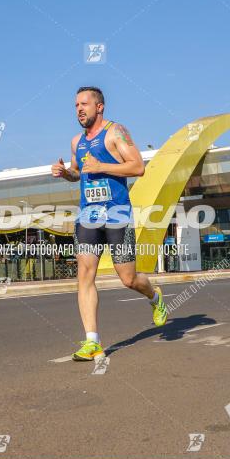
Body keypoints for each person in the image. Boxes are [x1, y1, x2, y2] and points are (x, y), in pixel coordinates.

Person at [51, 86, 168, 362]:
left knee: (128, 278)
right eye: (76, 105)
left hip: (116, 214)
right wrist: (66, 173)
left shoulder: (116, 132)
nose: (79, 109)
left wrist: (101, 166)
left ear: (99, 106)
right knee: (84, 274)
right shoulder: (76, 142)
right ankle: (92, 341)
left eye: (84, 104)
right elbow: (80, 172)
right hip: (88, 216)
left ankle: (155, 297)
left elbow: (138, 167)